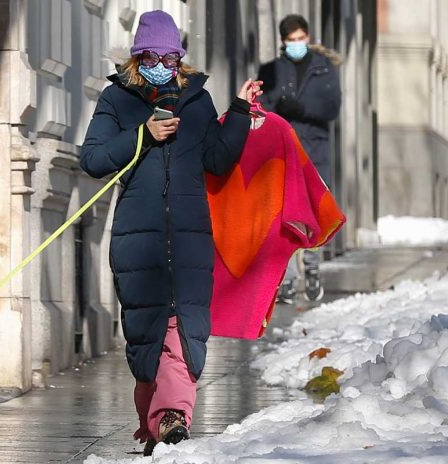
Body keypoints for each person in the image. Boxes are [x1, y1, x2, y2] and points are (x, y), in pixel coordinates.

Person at [81, 10, 260, 456]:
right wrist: (143, 134)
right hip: (136, 241)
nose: (160, 63)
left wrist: (238, 111)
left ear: (179, 58)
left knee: (184, 333)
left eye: (168, 56)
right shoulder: (117, 100)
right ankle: (159, 421)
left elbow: (218, 160)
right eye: (150, 56)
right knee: (149, 337)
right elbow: (94, 159)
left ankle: (173, 419)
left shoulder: (197, 102)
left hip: (190, 238)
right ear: (137, 57)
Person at [257, 14, 341, 304]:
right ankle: (289, 278)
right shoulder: (270, 70)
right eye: (291, 40)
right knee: (286, 214)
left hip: (315, 151)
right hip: (283, 151)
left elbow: (331, 106)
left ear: (308, 37)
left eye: (300, 38)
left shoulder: (323, 68)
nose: (296, 44)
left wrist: (300, 107)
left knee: (315, 212)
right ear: (283, 41)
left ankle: (313, 268)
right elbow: (261, 108)